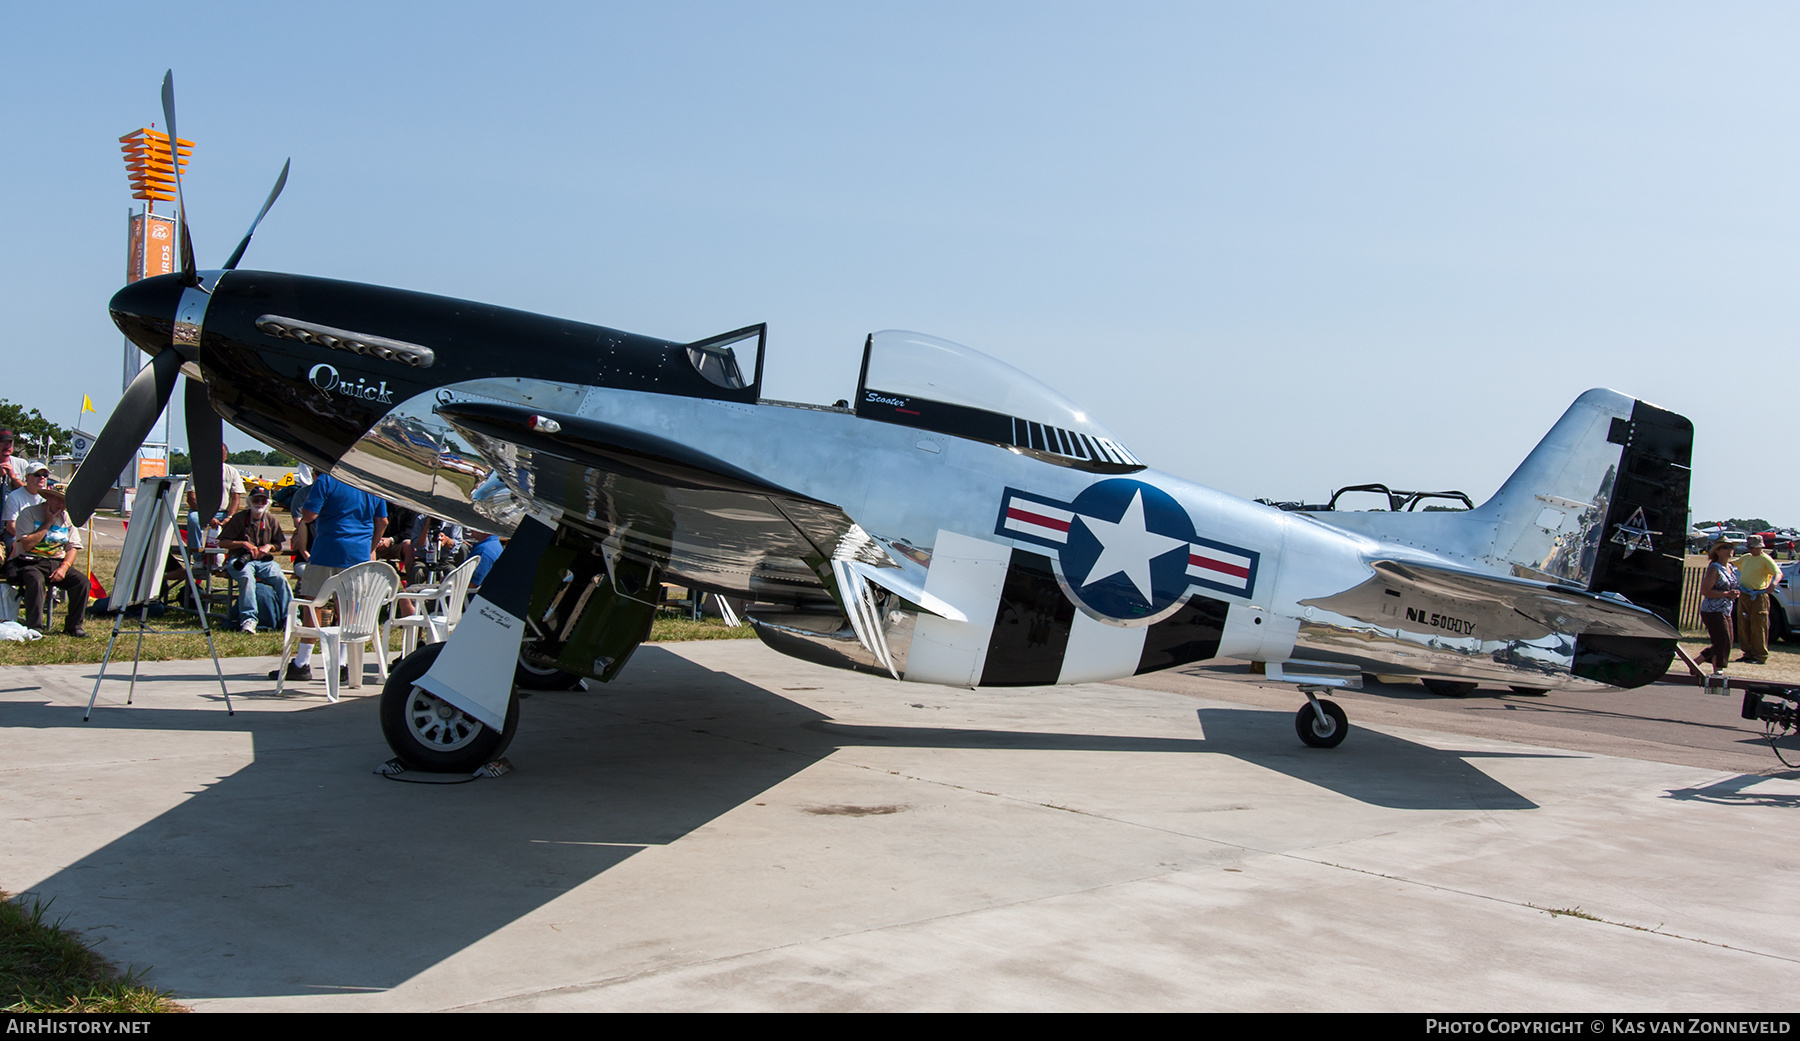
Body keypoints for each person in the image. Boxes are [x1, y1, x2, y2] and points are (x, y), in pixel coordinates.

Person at [271, 472, 386, 682]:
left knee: (313, 603)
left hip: (327, 550)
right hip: (358, 554)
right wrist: (369, 546)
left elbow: (308, 516)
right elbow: (383, 521)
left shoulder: (326, 480)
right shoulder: (371, 482)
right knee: (348, 608)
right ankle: (342, 663)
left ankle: (302, 662)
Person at [8, 481, 88, 636]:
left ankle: (74, 626)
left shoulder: (67, 518)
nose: (60, 504)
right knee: (35, 581)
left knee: (82, 582)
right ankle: (35, 627)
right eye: (57, 499)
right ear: (48, 498)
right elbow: (25, 545)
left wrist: (64, 567)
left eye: (64, 501)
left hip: (56, 562)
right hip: (29, 561)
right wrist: (47, 523)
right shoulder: (29, 514)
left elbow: (72, 547)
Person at [219, 487, 290, 632]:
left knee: (279, 578)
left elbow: (279, 545)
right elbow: (223, 542)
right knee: (246, 577)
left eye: (263, 500)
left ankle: (290, 617)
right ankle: (248, 619)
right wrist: (243, 544)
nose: (259, 503)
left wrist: (269, 547)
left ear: (268, 503)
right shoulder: (239, 518)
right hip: (240, 559)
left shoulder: (271, 519)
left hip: (263, 561)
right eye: (256, 500)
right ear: (249, 502)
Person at [1696, 539, 1741, 674]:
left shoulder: (1730, 567)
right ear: (1718, 551)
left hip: (1725, 609)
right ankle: (1717, 670)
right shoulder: (1714, 568)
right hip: (1712, 610)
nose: (1730, 550)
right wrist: (1726, 593)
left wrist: (1734, 594)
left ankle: (1696, 662)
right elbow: (1706, 591)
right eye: (1726, 547)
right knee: (1722, 640)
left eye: (1732, 547)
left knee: (1727, 641)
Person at [1736, 534, 1781, 665]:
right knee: (1743, 625)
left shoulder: (1765, 559)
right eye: (1749, 546)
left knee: (1758, 626)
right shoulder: (1746, 558)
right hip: (1744, 595)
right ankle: (1747, 653)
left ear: (1760, 547)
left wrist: (1773, 584)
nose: (1750, 549)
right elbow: (1732, 563)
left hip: (1758, 596)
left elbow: (1778, 573)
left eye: (1753, 547)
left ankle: (1760, 655)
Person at [2, 464, 48, 556]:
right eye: (37, 474)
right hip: (17, 535)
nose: (42, 477)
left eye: (45, 475)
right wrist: (28, 540)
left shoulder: (48, 497)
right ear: (27, 477)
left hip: (42, 535)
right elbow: (11, 526)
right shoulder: (14, 497)